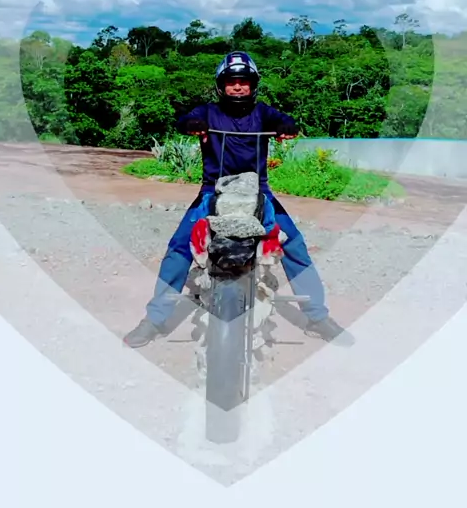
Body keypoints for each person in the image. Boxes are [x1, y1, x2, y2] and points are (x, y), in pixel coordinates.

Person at [124, 52, 354, 348]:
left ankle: (317, 317)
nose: (237, 87)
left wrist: (287, 126)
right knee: (179, 247)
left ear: (253, 85)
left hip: (259, 192)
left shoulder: (263, 113)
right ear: (221, 85)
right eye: (231, 81)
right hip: (212, 191)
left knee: (294, 244)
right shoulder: (208, 112)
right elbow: (185, 119)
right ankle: (155, 320)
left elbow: (284, 119)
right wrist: (191, 123)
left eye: (243, 81)